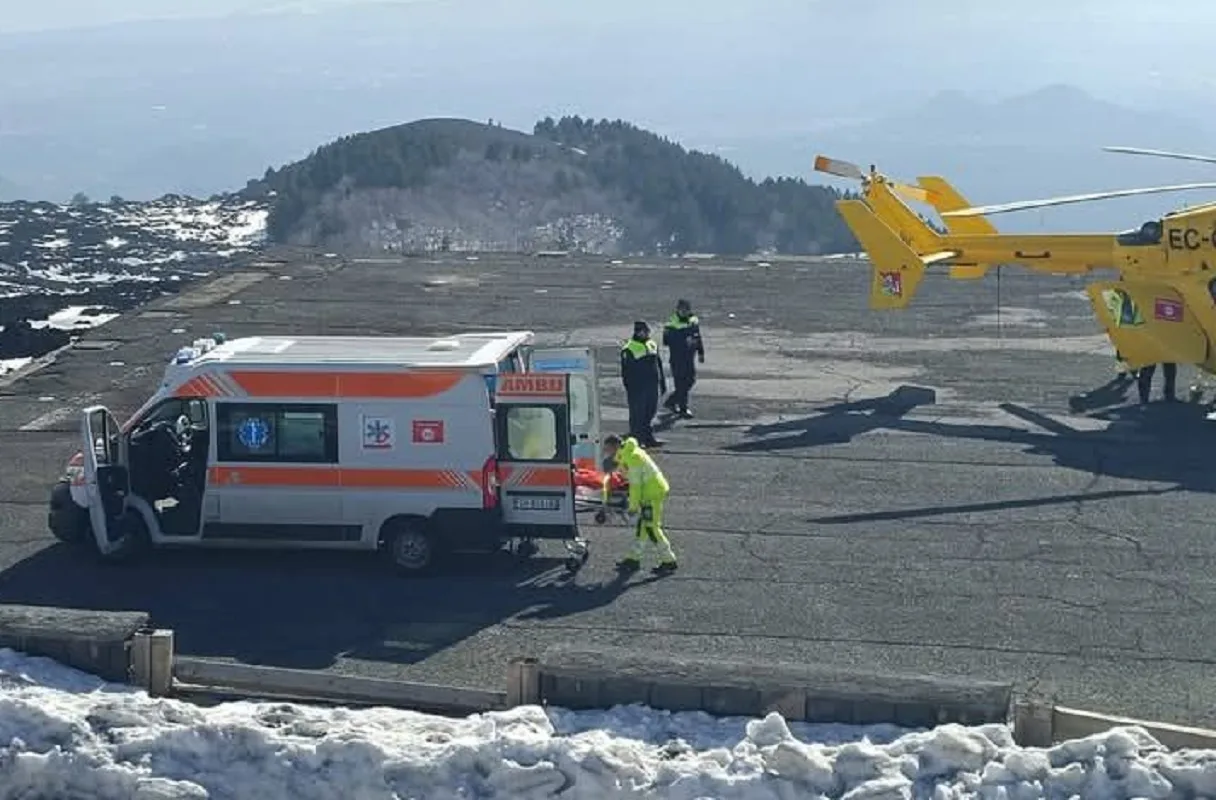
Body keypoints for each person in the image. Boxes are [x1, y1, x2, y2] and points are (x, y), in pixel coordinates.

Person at [604, 434, 677, 574]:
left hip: (651, 494)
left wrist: (633, 507)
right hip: (650, 491)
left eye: (608, 449)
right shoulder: (627, 453)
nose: (607, 452)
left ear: (615, 446)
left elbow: (636, 486)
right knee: (643, 526)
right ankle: (633, 558)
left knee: (651, 528)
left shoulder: (632, 458)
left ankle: (669, 560)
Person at [620, 321, 666, 447]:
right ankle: (636, 440)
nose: (645, 333)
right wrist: (630, 387)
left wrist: (662, 382)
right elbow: (625, 372)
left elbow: (659, 364)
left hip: (652, 385)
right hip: (637, 387)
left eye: (646, 331)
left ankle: (648, 438)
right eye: (642, 331)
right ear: (636, 332)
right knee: (637, 415)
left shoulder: (652, 344)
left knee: (650, 412)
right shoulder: (628, 348)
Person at [662, 298, 705, 418]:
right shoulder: (672, 323)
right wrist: (683, 339)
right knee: (680, 384)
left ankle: (671, 401)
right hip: (677, 358)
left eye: (686, 310)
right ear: (678, 310)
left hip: (689, 357)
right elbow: (666, 341)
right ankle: (683, 408)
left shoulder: (693, 321)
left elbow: (698, 337)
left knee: (690, 380)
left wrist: (701, 352)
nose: (684, 312)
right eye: (682, 310)